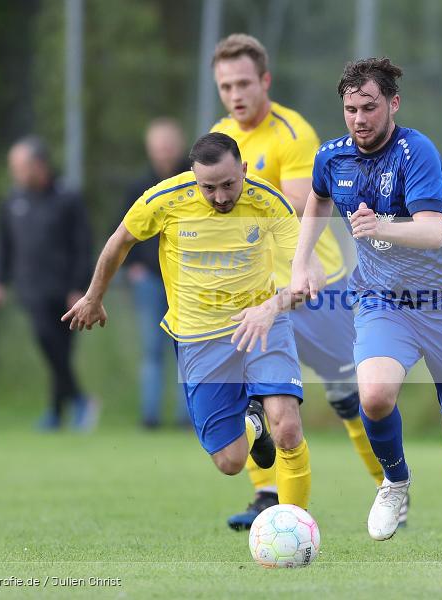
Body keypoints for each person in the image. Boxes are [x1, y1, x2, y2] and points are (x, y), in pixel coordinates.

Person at [291, 58, 442, 559]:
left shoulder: (415, 151)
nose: (359, 119)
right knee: (376, 395)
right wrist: (302, 262)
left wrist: (379, 225)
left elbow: (433, 231)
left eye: (369, 107)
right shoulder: (331, 157)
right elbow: (317, 200)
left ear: (393, 103)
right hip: (384, 299)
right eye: (350, 109)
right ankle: (395, 480)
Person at [62, 132, 314, 509]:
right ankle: (253, 423)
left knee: (288, 427)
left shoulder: (268, 201)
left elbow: (307, 278)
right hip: (200, 338)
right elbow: (120, 240)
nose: (220, 197)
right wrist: (93, 296)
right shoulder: (165, 199)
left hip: (261, 324)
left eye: (229, 184)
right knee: (230, 461)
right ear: (194, 178)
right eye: (208, 188)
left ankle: (297, 523)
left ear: (244, 170)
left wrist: (272, 308)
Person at [210, 33, 386, 530]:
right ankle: (265, 494)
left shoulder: (292, 133)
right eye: (226, 86)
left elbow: (296, 209)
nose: (235, 94)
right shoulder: (220, 135)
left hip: (315, 287)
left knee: (349, 397)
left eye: (243, 83)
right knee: (253, 394)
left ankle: (388, 486)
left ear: (264, 80)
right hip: (257, 292)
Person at [0, 136, 99, 431]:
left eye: (20, 167)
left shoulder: (68, 198)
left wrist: (80, 288)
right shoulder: (13, 201)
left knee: (60, 353)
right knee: (49, 345)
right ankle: (79, 400)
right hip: (31, 291)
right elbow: (4, 246)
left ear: (38, 165)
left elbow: (82, 246)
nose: (15, 173)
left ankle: (56, 413)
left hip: (66, 292)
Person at [124, 118, 190, 429]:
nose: (163, 152)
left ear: (179, 147)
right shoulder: (139, 187)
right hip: (150, 280)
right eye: (158, 147)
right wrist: (132, 266)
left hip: (187, 280)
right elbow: (124, 231)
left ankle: (187, 417)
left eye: (168, 146)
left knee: (187, 347)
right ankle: (149, 416)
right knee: (151, 348)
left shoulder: (195, 184)